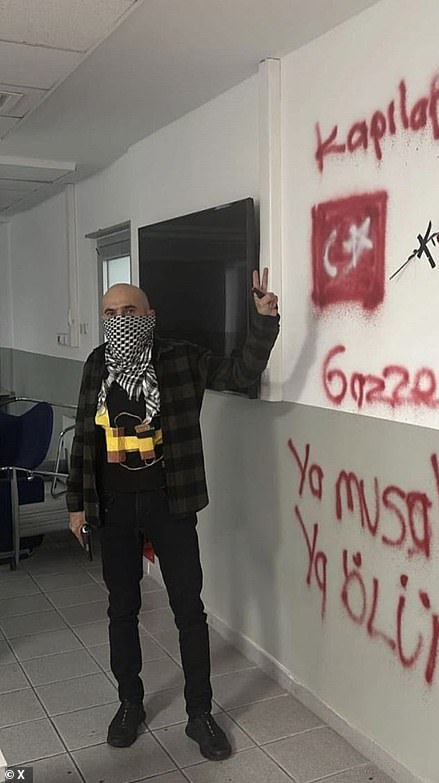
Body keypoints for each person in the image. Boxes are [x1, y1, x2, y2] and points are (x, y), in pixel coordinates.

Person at [66, 271, 279, 760]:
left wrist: (263, 321)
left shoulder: (181, 357)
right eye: (110, 314)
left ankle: (199, 714)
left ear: (150, 316)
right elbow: (84, 439)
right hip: (114, 508)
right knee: (122, 611)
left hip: (171, 502)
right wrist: (76, 504)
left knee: (189, 612)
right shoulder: (96, 366)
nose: (119, 321)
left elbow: (240, 374)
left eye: (129, 312)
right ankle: (130, 704)